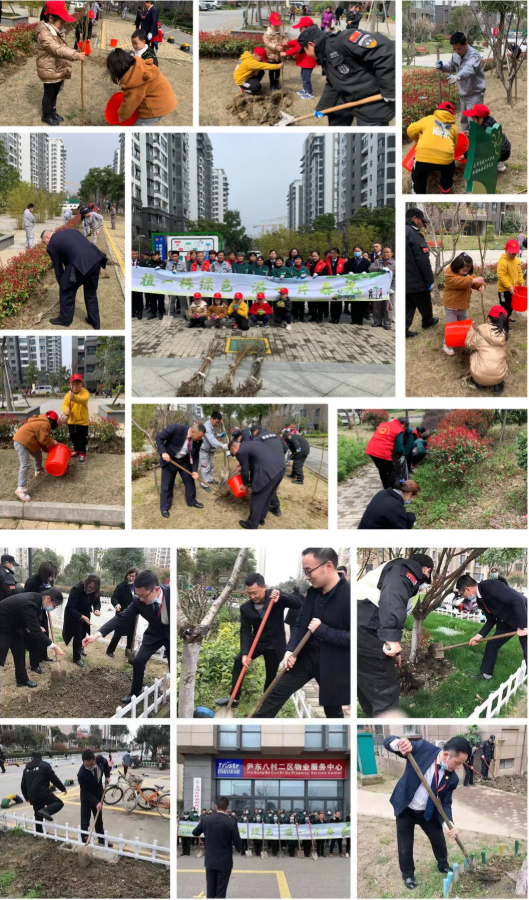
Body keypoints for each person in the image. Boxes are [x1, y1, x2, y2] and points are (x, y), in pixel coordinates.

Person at [256, 548, 350, 717]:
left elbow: (354, 638)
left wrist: (323, 630)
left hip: (332, 664)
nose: (306, 577)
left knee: (333, 711)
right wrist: (290, 650)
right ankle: (254, 729)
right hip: (305, 658)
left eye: (308, 571)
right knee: (275, 695)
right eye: (304, 572)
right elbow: (300, 623)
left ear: (328, 566)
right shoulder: (313, 592)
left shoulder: (349, 595)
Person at [384, 734, 470, 891]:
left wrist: (449, 825)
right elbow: (388, 741)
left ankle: (443, 865)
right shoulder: (422, 749)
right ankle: (408, 875)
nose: (458, 767)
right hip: (406, 809)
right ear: (446, 755)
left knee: (438, 840)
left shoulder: (452, 779)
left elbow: (446, 803)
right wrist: (399, 744)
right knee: (405, 845)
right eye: (457, 763)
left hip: (427, 812)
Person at [357, 553, 435, 716]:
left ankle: (374, 721)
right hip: (367, 628)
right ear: (426, 569)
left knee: (366, 687)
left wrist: (395, 652)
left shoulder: (389, 570)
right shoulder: (407, 568)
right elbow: (392, 595)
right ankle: (387, 730)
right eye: (427, 577)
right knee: (385, 695)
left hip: (358, 630)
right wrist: (391, 637)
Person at [214, 575, 301, 709]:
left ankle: (266, 702)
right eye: (249, 593)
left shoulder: (275, 598)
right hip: (258, 643)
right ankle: (234, 698)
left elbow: (298, 603)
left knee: (271, 675)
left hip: (275, 645)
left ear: (264, 587)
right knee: (239, 661)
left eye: (255, 593)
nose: (252, 596)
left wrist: (281, 595)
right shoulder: (245, 608)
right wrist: (245, 653)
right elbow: (245, 631)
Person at [84, 569, 170, 704]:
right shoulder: (138, 600)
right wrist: (97, 635)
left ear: (156, 590)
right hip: (154, 635)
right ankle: (135, 693)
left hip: (170, 635)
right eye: (137, 595)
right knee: (138, 661)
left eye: (143, 596)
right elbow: (121, 618)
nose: (140, 599)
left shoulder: (171, 595)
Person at [294, 23, 395, 126]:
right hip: (349, 97)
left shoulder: (344, 40)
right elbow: (333, 82)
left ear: (311, 44)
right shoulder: (324, 54)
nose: (306, 54)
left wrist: (390, 90)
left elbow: (387, 51)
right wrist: (323, 107)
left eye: (305, 50)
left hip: (373, 104)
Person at [455, 574, 527, 679]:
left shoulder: (491, 586)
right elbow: (491, 619)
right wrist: (479, 636)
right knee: (492, 644)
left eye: (462, 593)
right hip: (506, 620)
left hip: (522, 614)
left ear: (467, 589)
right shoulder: (480, 601)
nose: (463, 597)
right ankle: (486, 675)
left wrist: (523, 626)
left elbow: (518, 600)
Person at [41, 228, 106, 329]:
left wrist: (62, 284)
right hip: (95, 259)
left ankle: (64, 320)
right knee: (91, 294)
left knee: (66, 290)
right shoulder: (71, 230)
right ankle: (95, 322)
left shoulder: (52, 244)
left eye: (45, 242)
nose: (46, 245)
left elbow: (58, 268)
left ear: (47, 237)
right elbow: (75, 248)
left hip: (80, 262)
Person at [0, 587, 65, 688]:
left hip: (14, 627)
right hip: (3, 625)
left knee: (20, 651)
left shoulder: (37, 600)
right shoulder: (30, 603)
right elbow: (37, 634)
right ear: (48, 598)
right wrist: (54, 646)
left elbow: (26, 617)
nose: (53, 608)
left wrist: (34, 626)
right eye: (54, 605)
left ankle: (22, 680)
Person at [36, 2, 85, 126]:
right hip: (49, 69)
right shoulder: (44, 33)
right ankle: (46, 115)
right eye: (61, 22)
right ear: (51, 18)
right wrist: (75, 55)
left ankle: (53, 112)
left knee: (56, 91)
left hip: (56, 68)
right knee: (49, 93)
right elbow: (56, 48)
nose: (63, 25)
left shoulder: (55, 29)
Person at [106, 48, 177, 126]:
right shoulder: (141, 66)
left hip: (156, 108)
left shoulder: (133, 82)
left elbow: (128, 106)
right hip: (167, 101)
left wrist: (121, 116)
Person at [229, 433, 285, 530]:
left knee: (257, 498)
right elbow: (256, 460)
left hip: (268, 472)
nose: (235, 456)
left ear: (233, 449)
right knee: (268, 496)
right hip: (279, 469)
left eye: (233, 454)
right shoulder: (250, 444)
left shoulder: (240, 451)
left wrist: (245, 484)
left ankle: (252, 524)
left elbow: (245, 472)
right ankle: (260, 518)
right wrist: (243, 465)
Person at [192, 797, 242, 900]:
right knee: (221, 892)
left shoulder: (206, 819)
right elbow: (238, 847)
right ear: (228, 807)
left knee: (210, 892)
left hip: (210, 861)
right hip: (225, 862)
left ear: (215, 807)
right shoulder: (231, 822)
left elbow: (195, 832)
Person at [437, 32, 486, 132]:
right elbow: (452, 66)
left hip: (474, 95)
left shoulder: (474, 55)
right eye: (454, 49)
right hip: (463, 94)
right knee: (464, 122)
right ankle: (466, 144)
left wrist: (457, 77)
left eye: (459, 48)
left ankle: (475, 145)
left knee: (473, 123)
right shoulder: (456, 55)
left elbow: (469, 68)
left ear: (465, 44)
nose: (457, 51)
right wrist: (442, 67)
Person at [155, 421, 206, 516]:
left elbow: (195, 456)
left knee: (189, 481)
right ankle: (165, 507)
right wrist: (163, 452)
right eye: (199, 436)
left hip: (184, 461)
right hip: (170, 459)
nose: (200, 439)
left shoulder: (199, 441)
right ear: (193, 432)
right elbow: (159, 438)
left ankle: (191, 501)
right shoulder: (176, 428)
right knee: (167, 484)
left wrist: (194, 470)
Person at [407, 101, 458, 195]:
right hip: (445, 160)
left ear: (438, 110)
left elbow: (410, 130)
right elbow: (454, 146)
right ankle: (445, 190)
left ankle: (419, 192)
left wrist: (418, 140)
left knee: (418, 174)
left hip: (423, 159)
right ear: (452, 114)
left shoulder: (428, 119)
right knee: (449, 169)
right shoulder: (454, 127)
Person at [441, 253, 485, 356]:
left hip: (463, 306)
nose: (466, 272)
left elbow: (473, 282)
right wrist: (473, 280)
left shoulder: (467, 275)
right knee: (451, 326)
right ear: (457, 267)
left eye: (468, 270)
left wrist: (480, 286)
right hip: (451, 307)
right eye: (464, 270)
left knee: (463, 325)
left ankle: (460, 340)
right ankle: (447, 344)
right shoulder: (449, 274)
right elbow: (458, 282)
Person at [12, 410, 59, 503]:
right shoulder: (45, 424)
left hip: (26, 442)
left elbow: (42, 442)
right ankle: (20, 489)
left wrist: (49, 449)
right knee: (25, 464)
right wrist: (53, 442)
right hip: (21, 443)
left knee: (38, 454)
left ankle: (39, 471)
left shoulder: (42, 422)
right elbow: (43, 440)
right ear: (53, 422)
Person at [405, 207, 439, 338]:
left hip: (406, 279)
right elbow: (422, 259)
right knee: (424, 300)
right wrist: (429, 280)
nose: (422, 225)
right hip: (415, 277)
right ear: (414, 219)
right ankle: (427, 321)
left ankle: (404, 328)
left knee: (408, 303)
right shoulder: (413, 233)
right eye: (421, 221)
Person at [465, 304, 509, 395]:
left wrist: (470, 332)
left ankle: (479, 383)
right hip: (499, 375)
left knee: (473, 351)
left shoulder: (480, 333)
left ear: (488, 318)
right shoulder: (505, 336)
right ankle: (498, 384)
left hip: (479, 375)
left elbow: (468, 344)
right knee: (500, 357)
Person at [21, 752, 67, 834]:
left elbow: (23, 785)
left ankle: (39, 833)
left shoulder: (26, 769)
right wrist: (63, 788)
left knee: (38, 814)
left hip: (32, 795)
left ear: (32, 758)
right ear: (41, 758)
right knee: (58, 803)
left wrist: (26, 797)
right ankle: (46, 811)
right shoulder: (45, 766)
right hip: (43, 792)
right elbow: (54, 778)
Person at [62, 574, 101, 667]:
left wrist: (97, 609)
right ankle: (76, 658)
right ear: (86, 582)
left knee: (83, 633)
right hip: (74, 615)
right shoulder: (76, 589)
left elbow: (97, 602)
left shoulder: (95, 591)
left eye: (93, 589)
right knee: (78, 635)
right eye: (90, 587)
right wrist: (81, 616)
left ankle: (80, 648)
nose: (91, 590)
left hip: (85, 614)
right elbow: (70, 607)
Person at [365, 416, 412, 488]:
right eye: (405, 428)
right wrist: (404, 453)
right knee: (391, 470)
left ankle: (386, 487)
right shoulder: (399, 429)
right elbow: (399, 449)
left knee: (382, 469)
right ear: (403, 424)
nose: (404, 430)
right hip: (382, 451)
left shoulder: (384, 424)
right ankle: (393, 490)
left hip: (371, 449)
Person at [462, 103, 511, 172]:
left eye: (474, 120)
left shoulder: (485, 131)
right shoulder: (489, 120)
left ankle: (495, 162)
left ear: (481, 119)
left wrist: (465, 155)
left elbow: (477, 148)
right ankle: (497, 160)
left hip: (502, 152)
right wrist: (471, 133)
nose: (473, 121)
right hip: (505, 148)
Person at [77, 749, 112, 846]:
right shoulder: (81, 774)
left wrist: (107, 776)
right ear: (83, 762)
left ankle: (101, 839)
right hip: (87, 797)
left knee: (98, 819)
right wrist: (96, 802)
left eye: (91, 764)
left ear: (95, 760)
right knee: (85, 819)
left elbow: (106, 763)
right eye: (86, 765)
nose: (89, 767)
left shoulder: (100, 760)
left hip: (98, 794)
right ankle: (85, 840)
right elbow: (85, 791)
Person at [106, 567, 139, 658]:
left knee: (131, 635)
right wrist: (117, 605)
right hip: (122, 612)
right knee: (118, 633)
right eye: (129, 575)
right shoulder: (121, 586)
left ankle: (128, 652)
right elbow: (114, 598)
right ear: (126, 575)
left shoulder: (137, 587)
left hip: (134, 614)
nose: (131, 578)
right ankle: (110, 650)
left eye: (133, 576)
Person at [283, 15, 318, 99]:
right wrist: (287, 44)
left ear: (306, 27)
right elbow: (297, 42)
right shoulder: (306, 34)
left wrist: (286, 53)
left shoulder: (310, 36)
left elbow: (298, 47)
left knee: (306, 78)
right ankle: (305, 89)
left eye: (301, 27)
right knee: (303, 75)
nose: (299, 29)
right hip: (305, 61)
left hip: (308, 61)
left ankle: (309, 92)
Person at [62, 372, 90, 463]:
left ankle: (83, 453)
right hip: (71, 421)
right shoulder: (67, 395)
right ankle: (76, 451)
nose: (75, 386)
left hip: (82, 422)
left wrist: (74, 398)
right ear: (69, 385)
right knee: (73, 437)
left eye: (78, 384)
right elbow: (65, 405)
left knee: (82, 438)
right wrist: (66, 411)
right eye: (73, 384)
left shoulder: (85, 392)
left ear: (81, 384)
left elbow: (83, 400)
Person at [497, 239, 524, 321]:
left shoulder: (517, 260)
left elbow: (519, 272)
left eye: (515, 253)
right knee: (505, 306)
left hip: (513, 289)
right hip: (504, 289)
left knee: (511, 305)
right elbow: (501, 276)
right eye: (511, 253)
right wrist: (509, 286)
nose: (513, 255)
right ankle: (502, 323)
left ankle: (506, 319)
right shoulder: (502, 262)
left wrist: (521, 281)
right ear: (506, 250)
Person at [369, 246, 395, 329]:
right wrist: (380, 269)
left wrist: (393, 288)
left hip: (389, 289)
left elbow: (396, 278)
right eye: (384, 252)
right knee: (377, 306)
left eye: (387, 252)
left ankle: (387, 323)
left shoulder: (395, 264)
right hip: (378, 288)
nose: (385, 254)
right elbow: (370, 268)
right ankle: (377, 321)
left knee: (388, 307)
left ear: (391, 254)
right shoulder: (377, 261)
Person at [200, 411, 228, 486]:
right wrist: (222, 445)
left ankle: (210, 479)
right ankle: (204, 483)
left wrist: (220, 435)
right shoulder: (207, 427)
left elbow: (215, 435)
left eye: (219, 422)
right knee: (205, 467)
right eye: (216, 422)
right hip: (204, 450)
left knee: (211, 466)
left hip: (210, 450)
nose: (217, 424)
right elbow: (212, 440)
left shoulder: (212, 426)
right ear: (212, 418)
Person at [263, 11, 284, 91]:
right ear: (270, 24)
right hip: (271, 56)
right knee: (271, 70)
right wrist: (276, 47)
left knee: (278, 70)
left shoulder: (282, 33)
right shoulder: (267, 34)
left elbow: (285, 40)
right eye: (274, 25)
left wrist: (284, 45)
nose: (276, 27)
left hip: (279, 56)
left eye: (278, 25)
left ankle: (277, 82)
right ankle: (272, 83)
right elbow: (267, 43)